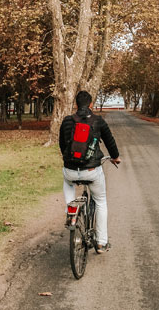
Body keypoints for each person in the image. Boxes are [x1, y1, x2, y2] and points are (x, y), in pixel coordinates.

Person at [59, 90, 121, 253]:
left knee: (68, 182)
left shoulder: (66, 121)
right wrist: (115, 157)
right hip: (92, 170)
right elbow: (110, 141)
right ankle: (101, 243)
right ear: (91, 104)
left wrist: (69, 160)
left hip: (70, 170)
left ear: (76, 104)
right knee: (100, 201)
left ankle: (70, 211)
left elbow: (62, 145)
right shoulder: (98, 121)